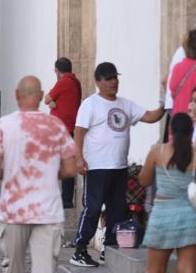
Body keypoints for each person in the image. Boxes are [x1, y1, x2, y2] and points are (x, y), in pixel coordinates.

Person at [70, 62, 165, 268]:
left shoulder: (125, 104)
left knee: (117, 209)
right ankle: (80, 249)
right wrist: (79, 158)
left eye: (115, 77)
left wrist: (166, 102)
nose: (114, 81)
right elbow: (79, 131)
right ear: (98, 82)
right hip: (97, 165)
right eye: (108, 78)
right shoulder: (90, 104)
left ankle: (109, 249)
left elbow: (150, 116)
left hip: (119, 166)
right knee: (93, 208)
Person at [0, 76, 76, 273]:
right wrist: (48, 174)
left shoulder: (4, 124)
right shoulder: (56, 125)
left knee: (14, 268)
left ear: (17, 95)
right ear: (42, 96)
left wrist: (12, 173)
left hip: (14, 210)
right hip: (48, 210)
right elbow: (70, 169)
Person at [139, 113, 196, 273]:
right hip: (191, 216)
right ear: (192, 130)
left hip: (162, 214)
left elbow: (144, 181)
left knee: (155, 269)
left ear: (170, 130)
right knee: (188, 269)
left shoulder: (157, 151)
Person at [44, 57, 82, 209]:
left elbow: (47, 98)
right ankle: (66, 198)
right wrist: (55, 104)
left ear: (57, 71)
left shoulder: (63, 81)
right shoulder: (75, 82)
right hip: (70, 128)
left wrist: (53, 104)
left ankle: (57, 197)